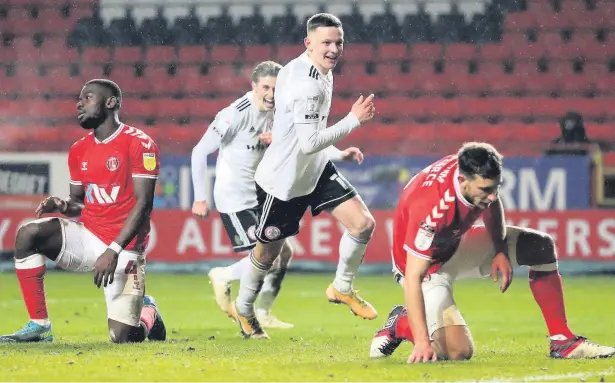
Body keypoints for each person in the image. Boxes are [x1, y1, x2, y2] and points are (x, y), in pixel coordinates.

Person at [369, 142, 615, 362]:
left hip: (453, 244)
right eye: (486, 189)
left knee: (540, 246)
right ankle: (401, 322)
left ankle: (563, 341)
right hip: (423, 268)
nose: (493, 195)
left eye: (496, 187)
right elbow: (413, 275)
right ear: (463, 181)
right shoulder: (432, 209)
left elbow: (491, 203)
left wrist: (500, 250)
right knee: (458, 352)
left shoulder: (474, 173)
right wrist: (422, 342)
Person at [227, 13, 377, 339]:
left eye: (339, 42)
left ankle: (342, 287)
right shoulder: (308, 82)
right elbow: (308, 142)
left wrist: (338, 152)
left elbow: (304, 135)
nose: (334, 49)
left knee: (363, 224)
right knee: (267, 254)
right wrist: (353, 120)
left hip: (316, 168)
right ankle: (244, 306)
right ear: (308, 43)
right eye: (326, 42)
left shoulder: (316, 70)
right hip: (283, 183)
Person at [0, 79, 166, 344]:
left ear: (111, 103)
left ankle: (149, 312)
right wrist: (63, 206)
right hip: (88, 237)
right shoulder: (79, 149)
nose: (79, 103)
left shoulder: (139, 144)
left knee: (123, 337)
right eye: (78, 99)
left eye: (87, 97)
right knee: (28, 234)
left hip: (124, 249)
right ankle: (40, 326)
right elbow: (79, 203)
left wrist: (113, 250)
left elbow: (143, 204)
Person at [191, 61, 294, 329]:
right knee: (264, 258)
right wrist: (199, 197)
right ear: (254, 86)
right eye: (266, 87)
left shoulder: (281, 110)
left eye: (276, 88)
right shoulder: (234, 114)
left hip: (261, 193)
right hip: (234, 196)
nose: (271, 94)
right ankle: (223, 275)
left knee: (284, 252)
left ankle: (264, 312)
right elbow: (200, 151)